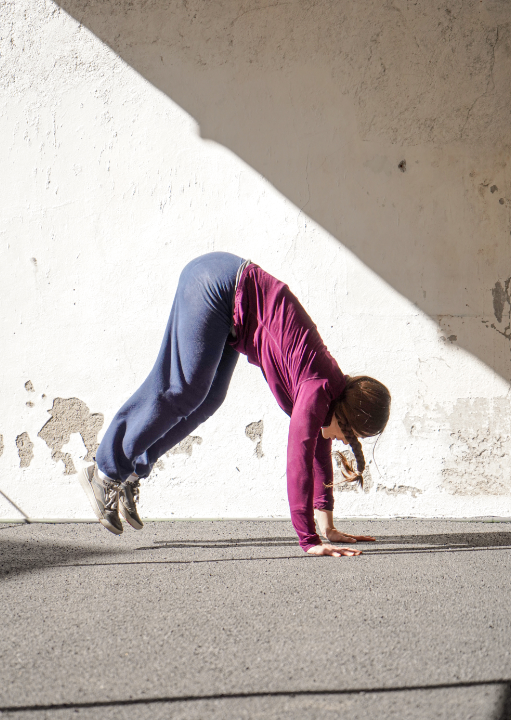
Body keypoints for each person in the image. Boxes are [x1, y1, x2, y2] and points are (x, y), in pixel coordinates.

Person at [79, 252, 391, 557]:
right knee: (183, 388)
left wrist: (328, 527)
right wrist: (308, 540)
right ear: (347, 414)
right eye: (349, 434)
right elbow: (299, 460)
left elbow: (317, 450)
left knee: (208, 399)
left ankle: (133, 469)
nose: (342, 440)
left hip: (232, 308)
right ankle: (105, 470)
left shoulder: (329, 391)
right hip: (219, 285)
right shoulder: (316, 389)